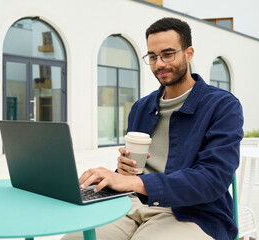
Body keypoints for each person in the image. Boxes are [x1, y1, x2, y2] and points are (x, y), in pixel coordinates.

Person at [62, 17, 243, 240]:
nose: (159, 64)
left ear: (189, 53)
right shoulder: (141, 107)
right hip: (131, 202)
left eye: (168, 54)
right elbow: (132, 173)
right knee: (76, 238)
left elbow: (212, 179)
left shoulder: (222, 105)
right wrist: (123, 171)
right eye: (152, 56)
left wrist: (134, 182)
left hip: (191, 212)